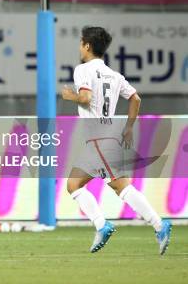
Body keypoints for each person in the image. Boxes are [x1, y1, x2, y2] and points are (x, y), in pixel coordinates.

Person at [62, 26, 172, 255]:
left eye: (81, 43)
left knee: (120, 186)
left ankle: (158, 225)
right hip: (104, 138)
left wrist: (69, 95)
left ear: (87, 46)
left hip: (98, 140)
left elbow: (85, 97)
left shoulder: (82, 70)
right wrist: (129, 127)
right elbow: (135, 98)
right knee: (73, 184)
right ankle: (103, 225)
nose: (80, 47)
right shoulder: (115, 75)